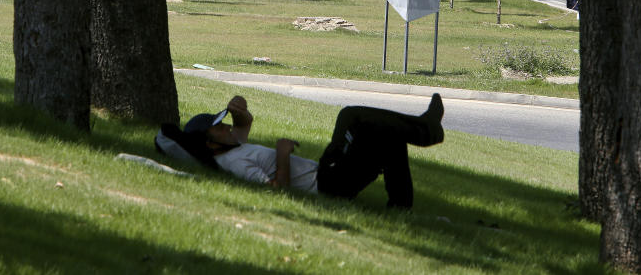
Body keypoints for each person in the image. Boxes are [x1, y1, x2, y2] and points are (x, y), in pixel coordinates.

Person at [159, 93, 445, 209]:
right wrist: (282, 155)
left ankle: (401, 208)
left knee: (387, 137)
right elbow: (276, 191)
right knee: (351, 116)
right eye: (219, 128)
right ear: (210, 144)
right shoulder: (233, 164)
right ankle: (426, 128)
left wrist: (237, 106)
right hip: (327, 183)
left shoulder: (234, 146)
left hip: (330, 178)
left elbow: (244, 122)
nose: (227, 129)